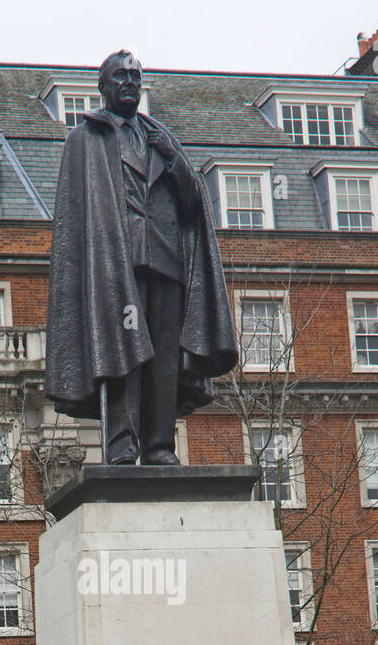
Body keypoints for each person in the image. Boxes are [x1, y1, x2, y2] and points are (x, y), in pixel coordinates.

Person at [45, 49, 237, 465]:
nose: (129, 82)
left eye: (135, 76)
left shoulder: (162, 139)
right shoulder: (85, 140)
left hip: (166, 263)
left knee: (164, 359)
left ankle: (159, 446)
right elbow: (74, 220)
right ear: (104, 86)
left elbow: (192, 208)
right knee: (122, 353)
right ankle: (121, 446)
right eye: (120, 76)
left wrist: (174, 158)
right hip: (116, 266)